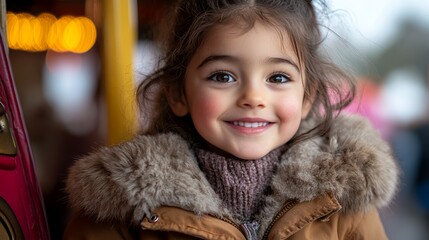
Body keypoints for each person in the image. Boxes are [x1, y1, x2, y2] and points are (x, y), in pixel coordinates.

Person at [63, 0, 399, 239]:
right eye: (223, 76)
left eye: (278, 78)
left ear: (307, 95)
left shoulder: (343, 201)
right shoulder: (122, 211)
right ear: (178, 94)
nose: (253, 97)